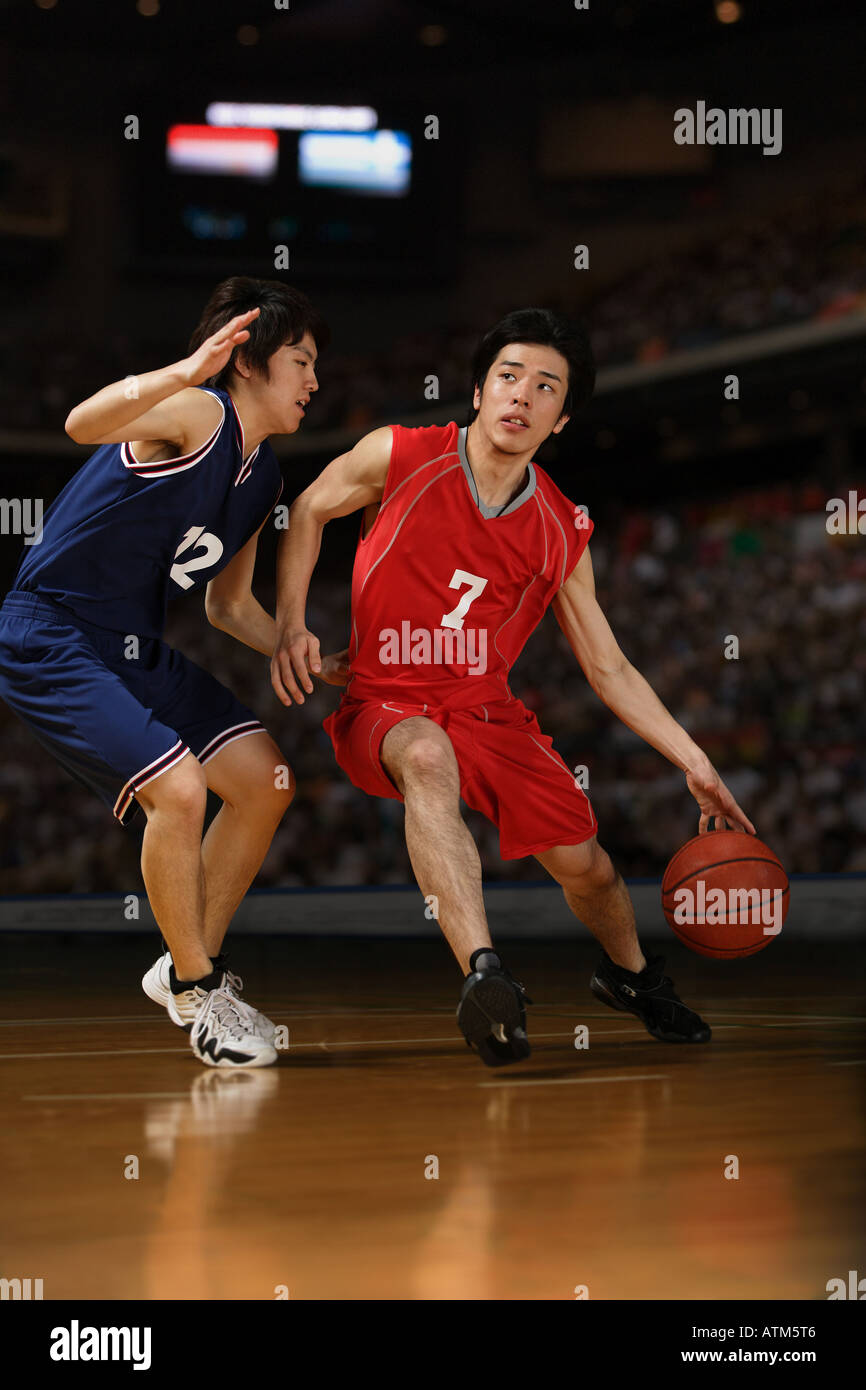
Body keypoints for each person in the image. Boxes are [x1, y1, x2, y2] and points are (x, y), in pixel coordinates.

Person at [270, 307, 756, 1068]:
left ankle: (630, 977)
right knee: (427, 758)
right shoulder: (399, 455)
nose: (521, 396)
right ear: (476, 390)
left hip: (488, 711)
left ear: (561, 420)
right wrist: (292, 625)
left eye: (545, 387)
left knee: (587, 868)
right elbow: (307, 509)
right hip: (387, 702)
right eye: (508, 377)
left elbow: (609, 667)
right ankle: (485, 975)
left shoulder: (562, 527)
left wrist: (694, 761)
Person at [0, 276, 341, 1068]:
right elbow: (83, 422)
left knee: (266, 779)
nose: (315, 381)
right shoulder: (201, 412)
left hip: (127, 644)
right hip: (49, 629)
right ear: (249, 361)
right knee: (180, 790)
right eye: (301, 360)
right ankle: (200, 990)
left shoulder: (264, 479)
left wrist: (304, 651)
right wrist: (189, 370)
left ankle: (185, 967)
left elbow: (228, 607)